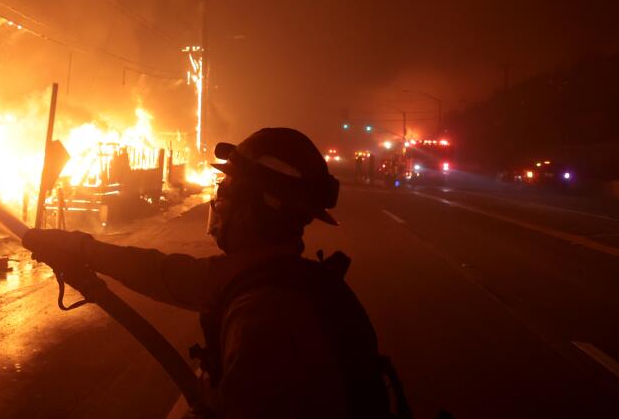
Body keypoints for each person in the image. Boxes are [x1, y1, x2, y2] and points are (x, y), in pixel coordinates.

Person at [23, 128, 402, 418]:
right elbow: (163, 273)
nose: (218, 203)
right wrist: (78, 248)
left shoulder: (266, 319)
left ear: (253, 210)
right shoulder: (280, 279)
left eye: (227, 191)